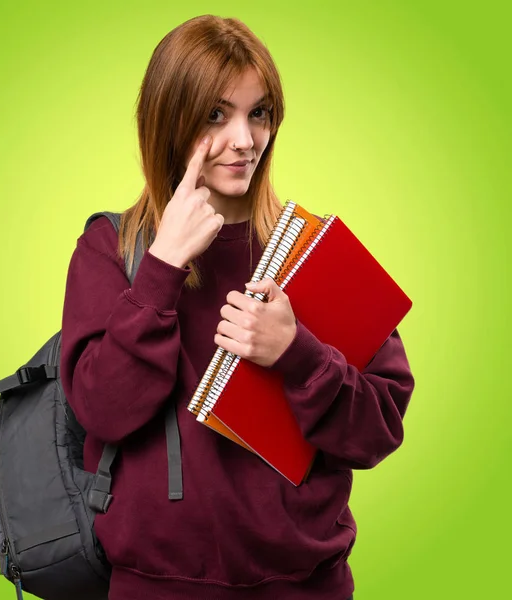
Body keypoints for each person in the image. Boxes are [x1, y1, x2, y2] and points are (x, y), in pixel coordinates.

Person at [60, 14, 414, 600]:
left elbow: (378, 430)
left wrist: (295, 354)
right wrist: (164, 266)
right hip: (154, 586)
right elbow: (103, 411)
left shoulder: (312, 249)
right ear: (168, 119)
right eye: (215, 115)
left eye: (260, 113)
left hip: (306, 584)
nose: (245, 140)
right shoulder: (112, 248)